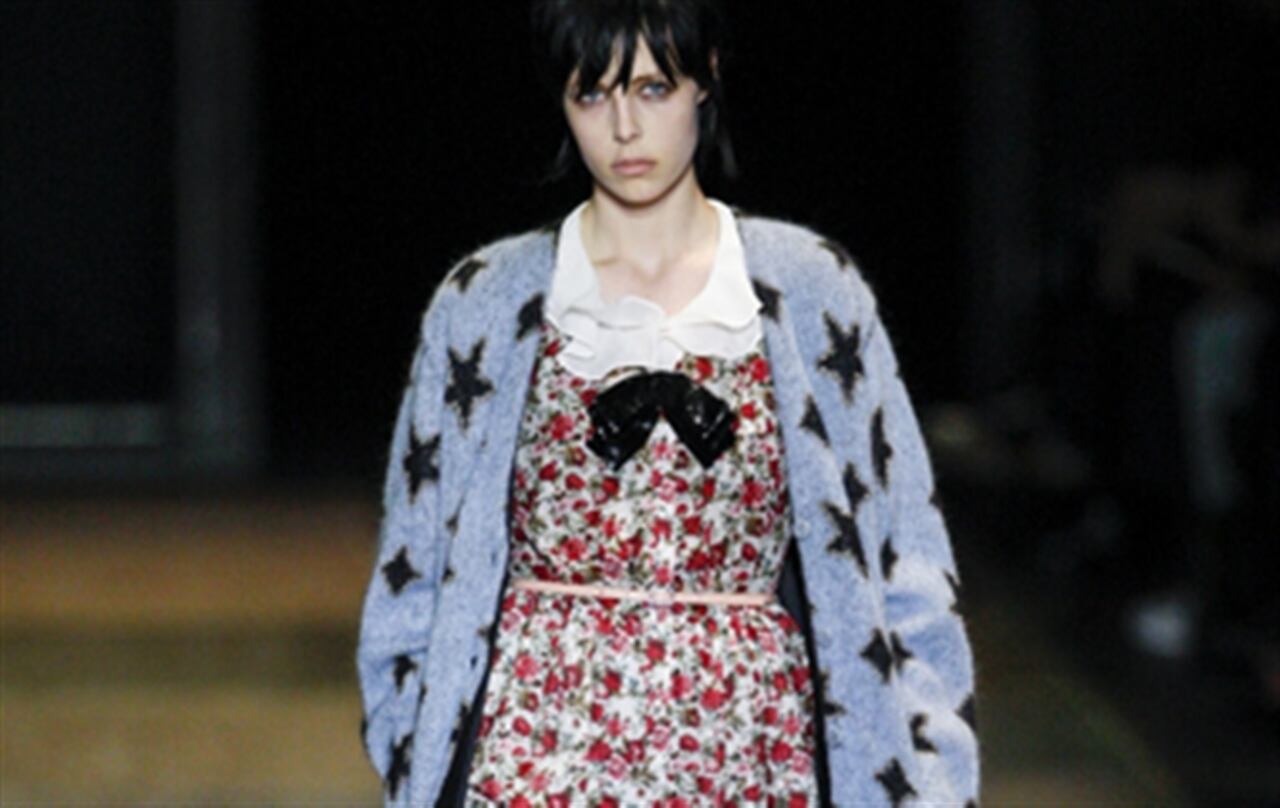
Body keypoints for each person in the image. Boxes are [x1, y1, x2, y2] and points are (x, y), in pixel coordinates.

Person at [356, 1, 980, 805]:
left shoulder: (812, 293)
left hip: (751, 757)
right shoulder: (486, 302)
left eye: (653, 88)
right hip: (529, 758)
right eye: (592, 94)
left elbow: (907, 564)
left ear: (706, 79)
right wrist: (416, 759)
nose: (624, 128)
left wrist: (934, 785)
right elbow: (411, 576)